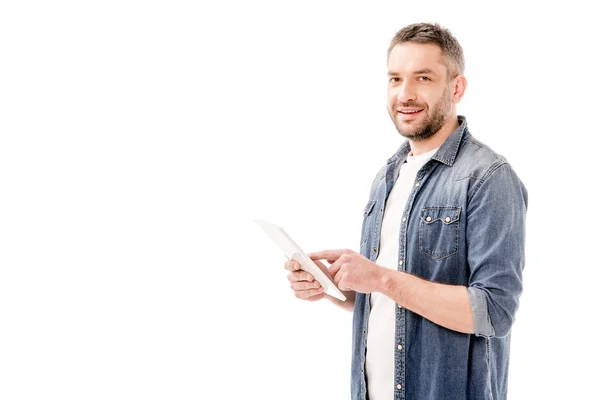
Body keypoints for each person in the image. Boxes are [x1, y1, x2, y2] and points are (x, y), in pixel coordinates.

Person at [283, 22, 528, 400]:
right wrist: (337, 286)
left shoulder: (488, 178)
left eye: (423, 78)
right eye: (395, 78)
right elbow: (391, 300)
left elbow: (493, 312)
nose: (405, 94)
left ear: (456, 88)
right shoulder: (388, 176)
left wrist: (380, 278)